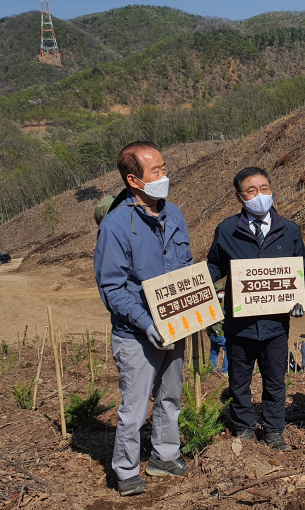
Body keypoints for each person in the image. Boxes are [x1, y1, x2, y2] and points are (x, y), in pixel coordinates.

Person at [94, 141, 192, 497]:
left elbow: (184, 266)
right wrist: (146, 323)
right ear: (134, 180)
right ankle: (126, 469)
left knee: (170, 398)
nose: (165, 176)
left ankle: (165, 457)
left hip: (176, 326)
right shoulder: (117, 226)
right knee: (134, 408)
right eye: (157, 171)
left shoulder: (174, 214)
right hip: (137, 334)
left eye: (164, 168)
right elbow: (113, 288)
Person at [207, 167, 305, 451]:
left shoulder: (289, 229)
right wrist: (199, 280)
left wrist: (297, 298)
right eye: (251, 191)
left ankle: (275, 430)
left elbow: (300, 267)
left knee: (275, 380)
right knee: (240, 379)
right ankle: (245, 427)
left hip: (275, 323)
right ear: (240, 197)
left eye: (264, 188)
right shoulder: (227, 229)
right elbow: (215, 264)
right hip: (240, 323)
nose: (260, 195)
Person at [207, 283, 228, 376]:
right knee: (228, 349)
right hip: (217, 333)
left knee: (214, 351)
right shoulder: (213, 305)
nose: (223, 293)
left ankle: (212, 370)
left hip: (213, 333)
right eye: (221, 291)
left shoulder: (218, 302)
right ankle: (225, 371)